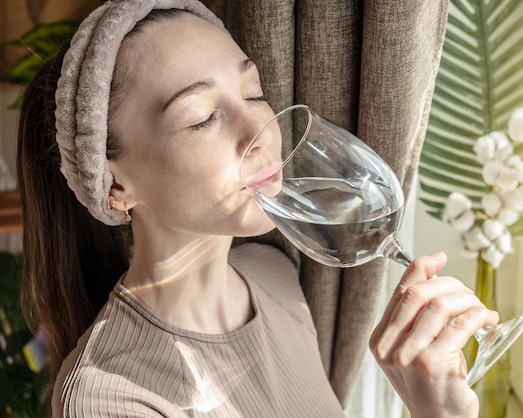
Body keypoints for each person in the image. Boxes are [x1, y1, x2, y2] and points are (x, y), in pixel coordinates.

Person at [16, 0, 498, 417]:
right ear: (116, 184)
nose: (260, 130)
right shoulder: (107, 399)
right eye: (203, 117)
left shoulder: (275, 275)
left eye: (255, 93)